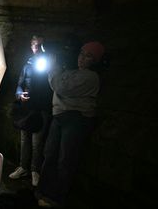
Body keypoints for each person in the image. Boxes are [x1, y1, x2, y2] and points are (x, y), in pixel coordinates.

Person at [36, 42, 105, 207]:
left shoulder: (91, 77)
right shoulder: (72, 72)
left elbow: (60, 86)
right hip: (60, 117)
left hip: (76, 120)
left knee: (65, 160)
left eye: (88, 56)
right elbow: (59, 86)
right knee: (50, 154)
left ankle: (56, 198)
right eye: (82, 53)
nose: (82, 58)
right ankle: (43, 191)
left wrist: (53, 66)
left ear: (95, 61)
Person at [9, 35, 53, 186]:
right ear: (31, 46)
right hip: (26, 110)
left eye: (40, 45)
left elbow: (51, 86)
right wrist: (20, 94)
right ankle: (23, 167)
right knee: (24, 140)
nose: (37, 49)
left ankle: (35, 170)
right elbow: (20, 83)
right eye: (35, 45)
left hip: (41, 109)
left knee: (37, 142)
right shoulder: (28, 63)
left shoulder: (50, 63)